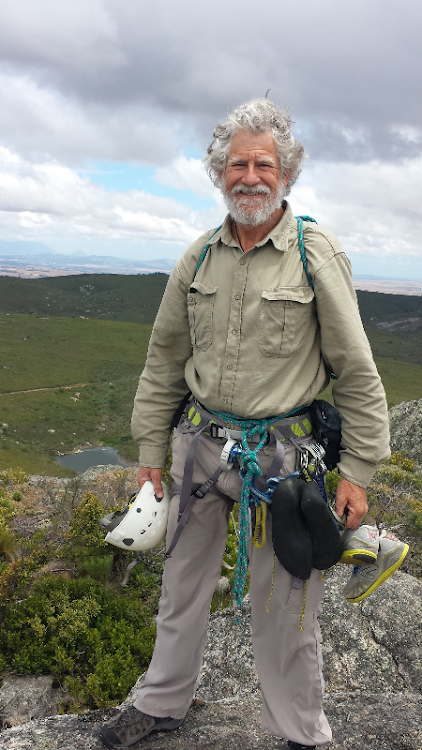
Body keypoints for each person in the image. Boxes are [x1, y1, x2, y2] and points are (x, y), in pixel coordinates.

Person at [100, 98, 391, 750]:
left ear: (286, 173)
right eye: (238, 164)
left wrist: (360, 473)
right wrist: (151, 450)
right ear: (219, 174)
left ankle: (300, 732)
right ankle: (163, 700)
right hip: (199, 445)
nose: (250, 176)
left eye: (265, 164)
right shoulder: (199, 257)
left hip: (284, 458)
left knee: (285, 605)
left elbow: (357, 368)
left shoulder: (316, 255)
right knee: (180, 586)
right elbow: (164, 361)